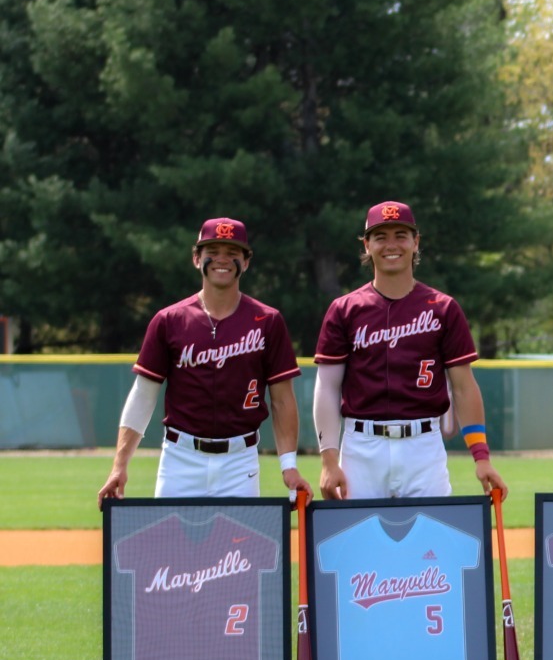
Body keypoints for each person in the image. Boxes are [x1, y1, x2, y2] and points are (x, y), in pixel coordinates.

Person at [98, 218, 306, 501]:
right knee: (172, 545)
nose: (223, 259)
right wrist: (119, 466)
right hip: (180, 458)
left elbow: (282, 399)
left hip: (240, 460)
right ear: (197, 258)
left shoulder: (267, 321)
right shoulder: (169, 320)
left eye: (233, 252)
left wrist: (289, 465)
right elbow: (143, 396)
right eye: (213, 251)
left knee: (236, 545)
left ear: (246, 261)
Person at [313, 201, 505, 501]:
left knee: (430, 542)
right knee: (359, 542)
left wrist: (481, 457)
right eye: (380, 236)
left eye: (401, 235)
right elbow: (327, 387)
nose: (392, 244)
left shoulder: (443, 308)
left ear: (416, 242)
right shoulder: (345, 309)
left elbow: (464, 387)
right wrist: (328, 461)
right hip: (362, 446)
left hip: (423, 446)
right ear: (367, 244)